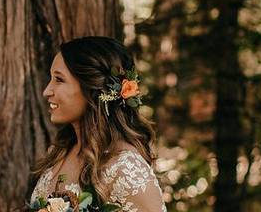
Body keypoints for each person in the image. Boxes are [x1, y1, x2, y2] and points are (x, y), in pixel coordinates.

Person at [30, 36, 166, 212]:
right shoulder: (60, 153)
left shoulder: (125, 169)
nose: (46, 91)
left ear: (91, 89)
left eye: (59, 80)